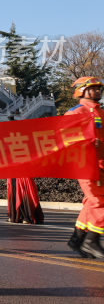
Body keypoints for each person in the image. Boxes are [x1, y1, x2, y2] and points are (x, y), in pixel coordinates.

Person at [64, 76, 104, 259]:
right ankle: (91, 242)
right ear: (82, 90)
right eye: (93, 88)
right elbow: (66, 138)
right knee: (98, 202)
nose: (97, 91)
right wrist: (87, 143)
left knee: (91, 202)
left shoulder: (100, 112)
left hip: (101, 164)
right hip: (86, 165)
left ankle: (77, 238)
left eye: (99, 88)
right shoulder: (75, 112)